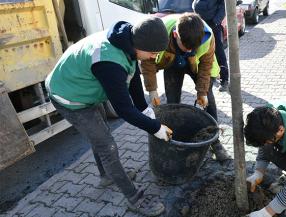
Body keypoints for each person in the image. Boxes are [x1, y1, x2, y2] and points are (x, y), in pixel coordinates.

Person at [45, 17, 172, 217]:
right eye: (153, 53)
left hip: (83, 86)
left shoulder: (127, 40)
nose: (153, 58)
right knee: (107, 146)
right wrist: (154, 127)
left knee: (101, 132)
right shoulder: (109, 62)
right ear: (139, 45)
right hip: (69, 96)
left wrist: (144, 108)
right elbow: (123, 110)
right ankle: (135, 198)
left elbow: (133, 76)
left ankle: (106, 176)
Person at [140, 13, 230, 161]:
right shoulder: (159, 32)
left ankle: (215, 142)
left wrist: (202, 92)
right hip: (173, 63)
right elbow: (147, 61)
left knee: (208, 100)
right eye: (186, 47)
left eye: (192, 48)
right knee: (172, 101)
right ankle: (172, 137)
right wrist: (152, 90)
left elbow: (206, 65)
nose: (189, 50)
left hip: (198, 65)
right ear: (175, 35)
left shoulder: (207, 38)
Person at [192, 0, 229, 92]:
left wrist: (215, 22)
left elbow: (223, 8)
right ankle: (208, 76)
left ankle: (224, 80)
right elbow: (194, 3)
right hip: (201, 25)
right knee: (202, 52)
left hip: (213, 26)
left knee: (218, 53)